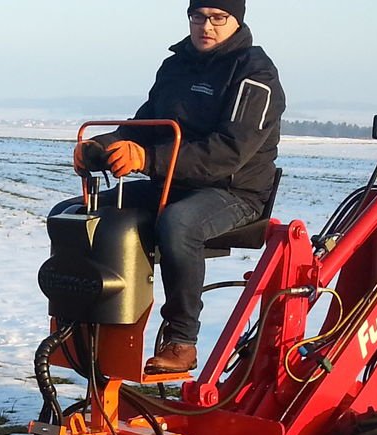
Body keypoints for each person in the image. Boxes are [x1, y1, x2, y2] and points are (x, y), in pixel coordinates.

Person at [74, 1, 285, 374]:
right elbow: (143, 127)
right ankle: (88, 323)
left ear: (237, 21)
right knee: (79, 213)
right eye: (199, 16)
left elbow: (228, 152)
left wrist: (147, 160)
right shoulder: (175, 66)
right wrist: (101, 148)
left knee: (178, 224)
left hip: (234, 191)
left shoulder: (255, 75)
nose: (207, 26)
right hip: (172, 183)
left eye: (218, 18)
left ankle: (182, 340)